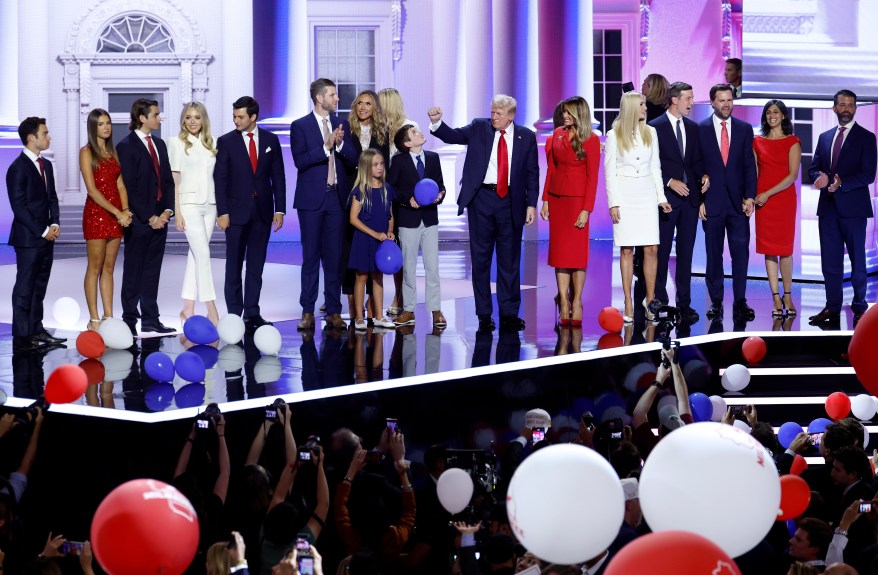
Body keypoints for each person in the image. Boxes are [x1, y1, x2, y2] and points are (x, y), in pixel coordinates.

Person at [429, 94, 540, 331]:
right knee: (481, 260)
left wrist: (531, 204)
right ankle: (484, 314)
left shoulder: (526, 136)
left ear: (511, 116)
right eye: (492, 112)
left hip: (511, 202)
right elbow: (453, 136)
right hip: (481, 200)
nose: (494, 117)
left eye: (499, 114)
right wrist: (437, 123)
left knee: (509, 261)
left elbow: (532, 172)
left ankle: (509, 314)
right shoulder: (479, 127)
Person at [290, 79, 358, 331]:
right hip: (311, 200)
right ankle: (307, 311)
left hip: (336, 199)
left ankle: (334, 310)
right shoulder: (300, 126)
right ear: (319, 98)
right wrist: (325, 146)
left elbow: (354, 159)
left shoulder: (342, 125)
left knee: (334, 258)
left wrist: (339, 145)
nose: (337, 99)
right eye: (332, 95)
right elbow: (300, 161)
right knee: (310, 257)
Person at [215, 96, 286, 331]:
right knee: (233, 266)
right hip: (235, 214)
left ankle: (252, 313)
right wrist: (223, 212)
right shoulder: (226, 142)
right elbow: (220, 179)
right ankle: (234, 315)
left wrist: (280, 209)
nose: (236, 120)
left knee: (256, 266)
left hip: (263, 213)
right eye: (234, 116)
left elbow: (278, 176)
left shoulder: (270, 140)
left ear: (253, 117)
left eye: (240, 117)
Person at [807, 89, 876, 325]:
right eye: (843, 105)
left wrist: (841, 183)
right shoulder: (825, 137)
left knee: (858, 262)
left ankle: (860, 307)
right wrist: (819, 178)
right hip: (828, 209)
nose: (847, 109)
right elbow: (813, 168)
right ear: (834, 108)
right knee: (830, 263)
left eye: (851, 105)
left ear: (855, 108)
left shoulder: (867, 137)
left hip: (854, 210)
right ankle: (832, 307)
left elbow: (868, 175)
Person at [605, 91, 671, 323]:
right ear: (632, 107)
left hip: (646, 194)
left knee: (651, 248)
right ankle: (628, 301)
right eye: (642, 104)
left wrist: (661, 198)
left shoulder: (650, 132)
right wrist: (613, 203)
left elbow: (656, 168)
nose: (645, 108)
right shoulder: (614, 135)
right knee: (627, 250)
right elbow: (610, 172)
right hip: (625, 196)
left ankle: (650, 299)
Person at [116, 98, 176, 335]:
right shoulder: (126, 146)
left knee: (152, 270)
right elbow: (130, 187)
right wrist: (150, 217)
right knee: (133, 271)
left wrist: (167, 211)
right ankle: (129, 320)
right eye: (155, 115)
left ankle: (151, 319)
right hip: (140, 221)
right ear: (142, 118)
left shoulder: (159, 144)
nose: (159, 118)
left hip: (161, 219)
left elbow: (168, 181)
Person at [698, 84, 757, 321]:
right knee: (713, 255)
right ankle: (716, 302)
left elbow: (749, 166)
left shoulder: (744, 129)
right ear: (712, 102)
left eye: (729, 100)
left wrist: (750, 196)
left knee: (740, 254)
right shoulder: (700, 129)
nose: (726, 104)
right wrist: (700, 200)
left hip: (738, 203)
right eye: (721, 100)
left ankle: (740, 301)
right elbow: (695, 166)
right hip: (712, 202)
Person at [539, 96, 600, 326]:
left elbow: (592, 178)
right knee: (560, 255)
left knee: (576, 255)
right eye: (564, 112)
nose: (564, 115)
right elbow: (551, 170)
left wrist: (586, 209)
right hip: (557, 200)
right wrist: (545, 200)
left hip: (577, 202)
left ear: (579, 114)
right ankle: (564, 301)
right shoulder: (557, 134)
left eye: (569, 112)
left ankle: (577, 301)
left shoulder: (591, 139)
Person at [648, 82, 706, 323]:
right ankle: (660, 301)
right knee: (661, 252)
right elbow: (649, 164)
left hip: (690, 200)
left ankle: (684, 304)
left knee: (685, 253)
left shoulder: (693, 128)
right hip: (666, 200)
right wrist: (669, 182)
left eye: (692, 98)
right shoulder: (654, 127)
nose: (692, 102)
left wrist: (704, 176)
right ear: (674, 100)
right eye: (688, 98)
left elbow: (697, 162)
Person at [6, 117, 64, 352]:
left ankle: (36, 329)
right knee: (25, 286)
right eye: (45, 133)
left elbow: (52, 198)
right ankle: (22, 336)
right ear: (31, 138)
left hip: (46, 237)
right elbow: (19, 207)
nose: (49, 137)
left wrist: (55, 223)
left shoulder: (46, 165)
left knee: (39, 285)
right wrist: (43, 231)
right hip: (28, 239)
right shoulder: (17, 168)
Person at [387, 124, 447, 329]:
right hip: (408, 220)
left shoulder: (433, 158)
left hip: (430, 219)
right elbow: (392, 188)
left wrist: (440, 194)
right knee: (409, 266)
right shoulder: (399, 161)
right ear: (407, 143)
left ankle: (436, 309)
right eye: (414, 132)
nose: (419, 133)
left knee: (432, 266)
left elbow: (440, 184)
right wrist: (407, 199)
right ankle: (408, 310)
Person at [79, 109, 132, 332]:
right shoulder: (86, 152)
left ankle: (108, 316)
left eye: (108, 123)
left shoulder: (112, 152)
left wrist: (126, 210)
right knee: (95, 268)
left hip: (116, 215)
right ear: (93, 127)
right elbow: (92, 190)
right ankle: (94, 319)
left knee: (109, 268)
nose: (106, 127)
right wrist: (117, 212)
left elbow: (120, 185)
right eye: (101, 124)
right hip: (97, 214)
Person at [168, 102, 220, 325]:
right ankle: (211, 308)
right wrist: (177, 212)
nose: (192, 121)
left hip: (210, 204)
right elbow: (175, 180)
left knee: (196, 255)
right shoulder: (176, 143)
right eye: (188, 117)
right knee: (204, 254)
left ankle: (187, 309)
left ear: (203, 120)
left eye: (197, 117)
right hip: (188, 205)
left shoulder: (212, 143)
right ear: (183, 120)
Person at [752, 99, 801, 318]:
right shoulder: (757, 142)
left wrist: (767, 193)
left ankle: (788, 295)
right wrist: (752, 197)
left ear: (783, 116)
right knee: (769, 250)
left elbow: (792, 176)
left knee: (785, 250)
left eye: (776, 112)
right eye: (768, 112)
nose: (772, 115)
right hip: (763, 201)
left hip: (782, 200)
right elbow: (754, 173)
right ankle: (775, 297)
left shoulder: (792, 141)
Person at [345, 90, 389, 320]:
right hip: (351, 194)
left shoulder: (382, 133)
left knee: (375, 256)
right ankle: (354, 306)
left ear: (375, 108)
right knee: (352, 254)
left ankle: (374, 307)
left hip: (375, 196)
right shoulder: (347, 129)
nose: (363, 107)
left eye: (368, 104)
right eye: (359, 103)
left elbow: (384, 164)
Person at [378, 87, 419, 317]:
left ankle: (399, 296)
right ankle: (374, 299)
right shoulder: (378, 129)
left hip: (402, 195)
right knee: (383, 243)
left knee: (402, 248)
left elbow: (415, 162)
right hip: (382, 192)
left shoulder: (409, 127)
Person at [346, 149, 396, 331]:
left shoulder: (387, 189)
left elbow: (390, 215)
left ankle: (379, 316)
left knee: (378, 276)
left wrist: (390, 232)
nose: (380, 167)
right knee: (361, 276)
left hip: (380, 241)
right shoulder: (360, 190)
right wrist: (374, 234)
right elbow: (353, 219)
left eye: (381, 164)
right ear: (366, 167)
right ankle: (359, 317)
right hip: (363, 239)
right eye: (375, 165)